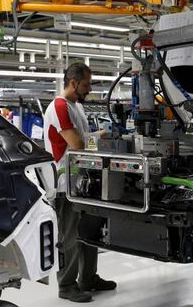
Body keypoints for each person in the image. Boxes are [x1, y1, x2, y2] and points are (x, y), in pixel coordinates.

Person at [44, 62, 116, 303]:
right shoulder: (59, 106)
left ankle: (88, 279)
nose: (88, 90)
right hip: (65, 184)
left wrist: (98, 138)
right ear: (73, 83)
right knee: (70, 237)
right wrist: (101, 138)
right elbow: (77, 145)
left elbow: (83, 142)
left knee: (89, 233)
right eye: (86, 85)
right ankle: (66, 284)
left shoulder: (77, 107)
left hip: (82, 182)